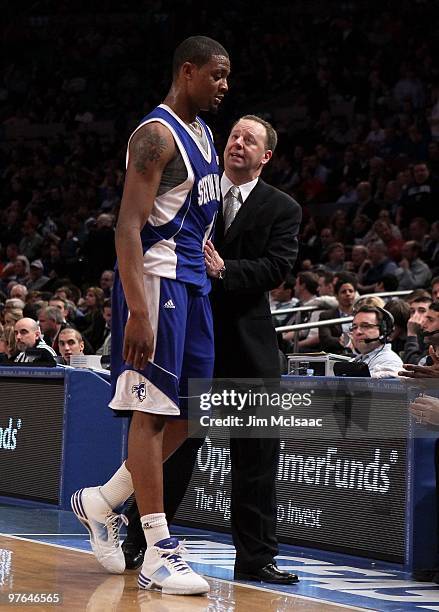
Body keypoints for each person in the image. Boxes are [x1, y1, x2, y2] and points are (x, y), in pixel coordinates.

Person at [70, 35, 230, 596]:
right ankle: (160, 551)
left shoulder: (206, 135)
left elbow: (189, 212)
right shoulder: (155, 136)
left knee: (193, 414)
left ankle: (105, 499)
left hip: (192, 287)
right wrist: (137, 309)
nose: (223, 86)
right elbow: (128, 227)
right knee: (152, 415)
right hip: (156, 285)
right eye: (216, 75)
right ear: (187, 72)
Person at [204, 115, 301, 583]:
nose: (238, 143)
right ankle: (141, 542)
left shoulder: (282, 208)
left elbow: (276, 267)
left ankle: (257, 558)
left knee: (256, 460)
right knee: (174, 447)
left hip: (249, 344)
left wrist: (225, 270)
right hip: (195, 340)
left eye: (250, 140)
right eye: (234, 135)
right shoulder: (197, 192)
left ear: (266, 156)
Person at [346, 305, 403, 377]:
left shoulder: (389, 362)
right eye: (354, 327)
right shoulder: (358, 359)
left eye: (365, 326)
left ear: (383, 330)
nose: (358, 332)